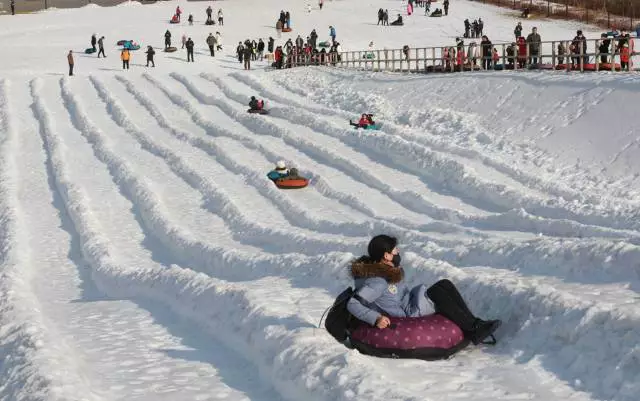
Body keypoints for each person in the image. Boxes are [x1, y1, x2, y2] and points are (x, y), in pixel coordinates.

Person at [346, 235, 502, 345]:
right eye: (395, 251)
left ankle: (474, 325)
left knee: (444, 284)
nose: (398, 253)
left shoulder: (380, 275)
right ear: (386, 256)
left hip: (407, 304)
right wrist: (375, 318)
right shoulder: (377, 282)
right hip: (408, 313)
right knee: (438, 292)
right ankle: (474, 328)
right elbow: (353, 303)